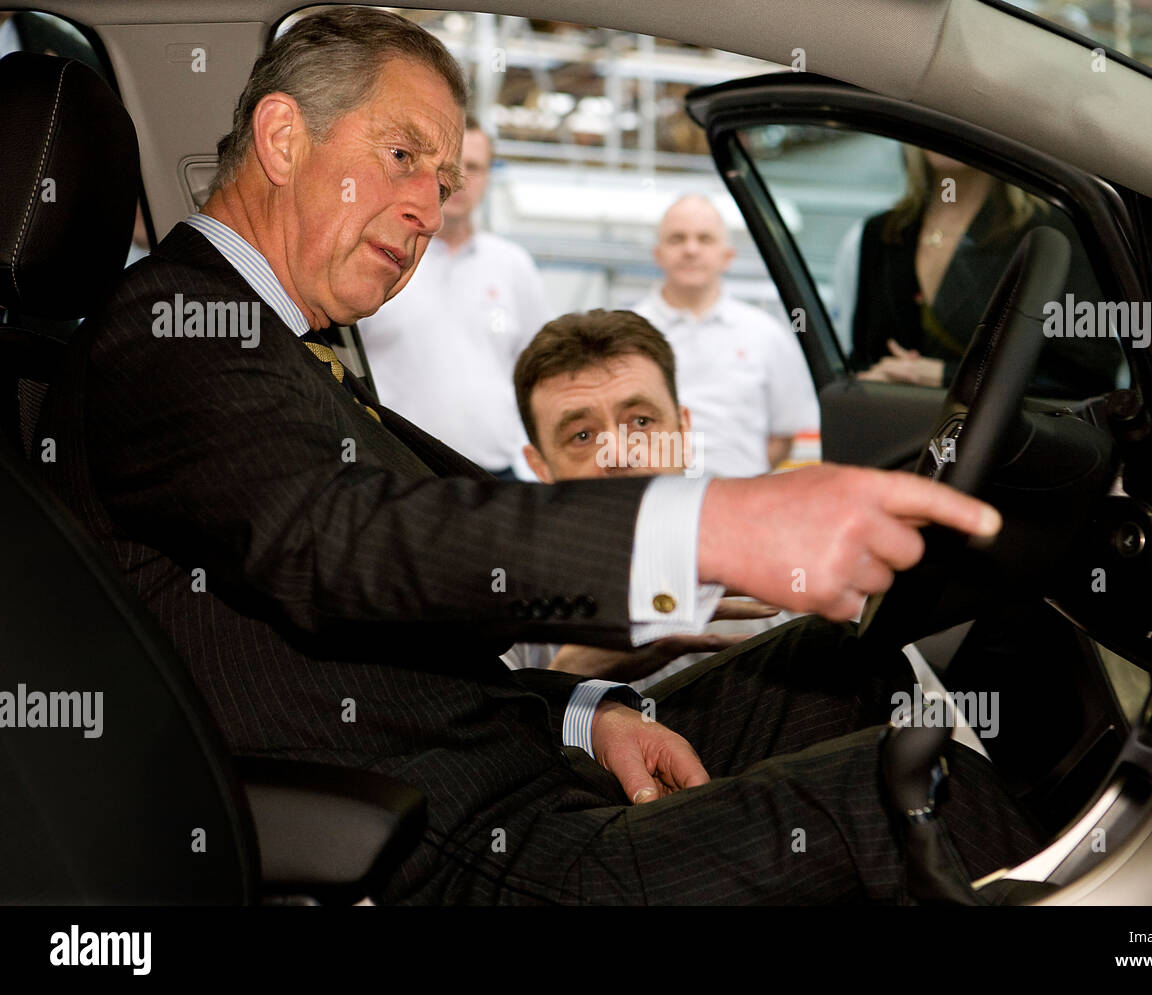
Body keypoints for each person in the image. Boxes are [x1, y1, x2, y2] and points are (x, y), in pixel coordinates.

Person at [41, 7, 1040, 904]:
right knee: (905, 790)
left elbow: (423, 570)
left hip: (511, 767)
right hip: (443, 842)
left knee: (844, 660)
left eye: (442, 181)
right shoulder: (172, 330)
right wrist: (712, 524)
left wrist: (582, 713)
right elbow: (341, 542)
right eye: (402, 157)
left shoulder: (279, 341)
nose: (429, 210)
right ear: (282, 134)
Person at [504, 308, 791, 690]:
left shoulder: (779, 571)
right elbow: (482, 742)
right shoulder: (504, 596)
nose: (619, 454)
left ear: (683, 433)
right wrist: (571, 672)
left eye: (641, 422)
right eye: (582, 436)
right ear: (540, 467)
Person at [842, 146, 1117, 398]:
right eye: (932, 103)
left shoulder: (1051, 233)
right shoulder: (884, 232)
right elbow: (863, 357)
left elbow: (1087, 377)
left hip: (1004, 445)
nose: (942, 117)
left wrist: (943, 375)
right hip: (895, 436)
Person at [358, 116, 548, 478]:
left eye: (474, 167)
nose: (461, 179)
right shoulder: (383, 257)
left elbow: (542, 372)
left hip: (495, 476)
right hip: (400, 470)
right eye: (452, 167)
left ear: (489, 177)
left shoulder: (513, 266)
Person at [634, 195, 820, 478]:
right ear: (657, 253)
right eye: (677, 239)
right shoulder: (626, 335)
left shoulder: (766, 335)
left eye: (705, 239)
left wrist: (736, 485)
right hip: (649, 497)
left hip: (740, 502)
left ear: (728, 256)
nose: (691, 249)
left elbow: (783, 435)